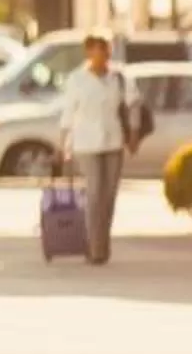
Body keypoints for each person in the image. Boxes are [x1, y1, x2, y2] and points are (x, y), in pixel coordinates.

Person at [57, 32, 140, 265]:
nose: (103, 55)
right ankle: (94, 248)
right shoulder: (77, 80)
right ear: (89, 52)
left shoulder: (118, 79)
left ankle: (103, 245)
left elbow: (133, 106)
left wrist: (133, 134)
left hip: (113, 141)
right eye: (98, 50)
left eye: (106, 50)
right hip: (86, 143)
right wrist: (63, 143)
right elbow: (68, 114)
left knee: (109, 197)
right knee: (94, 195)